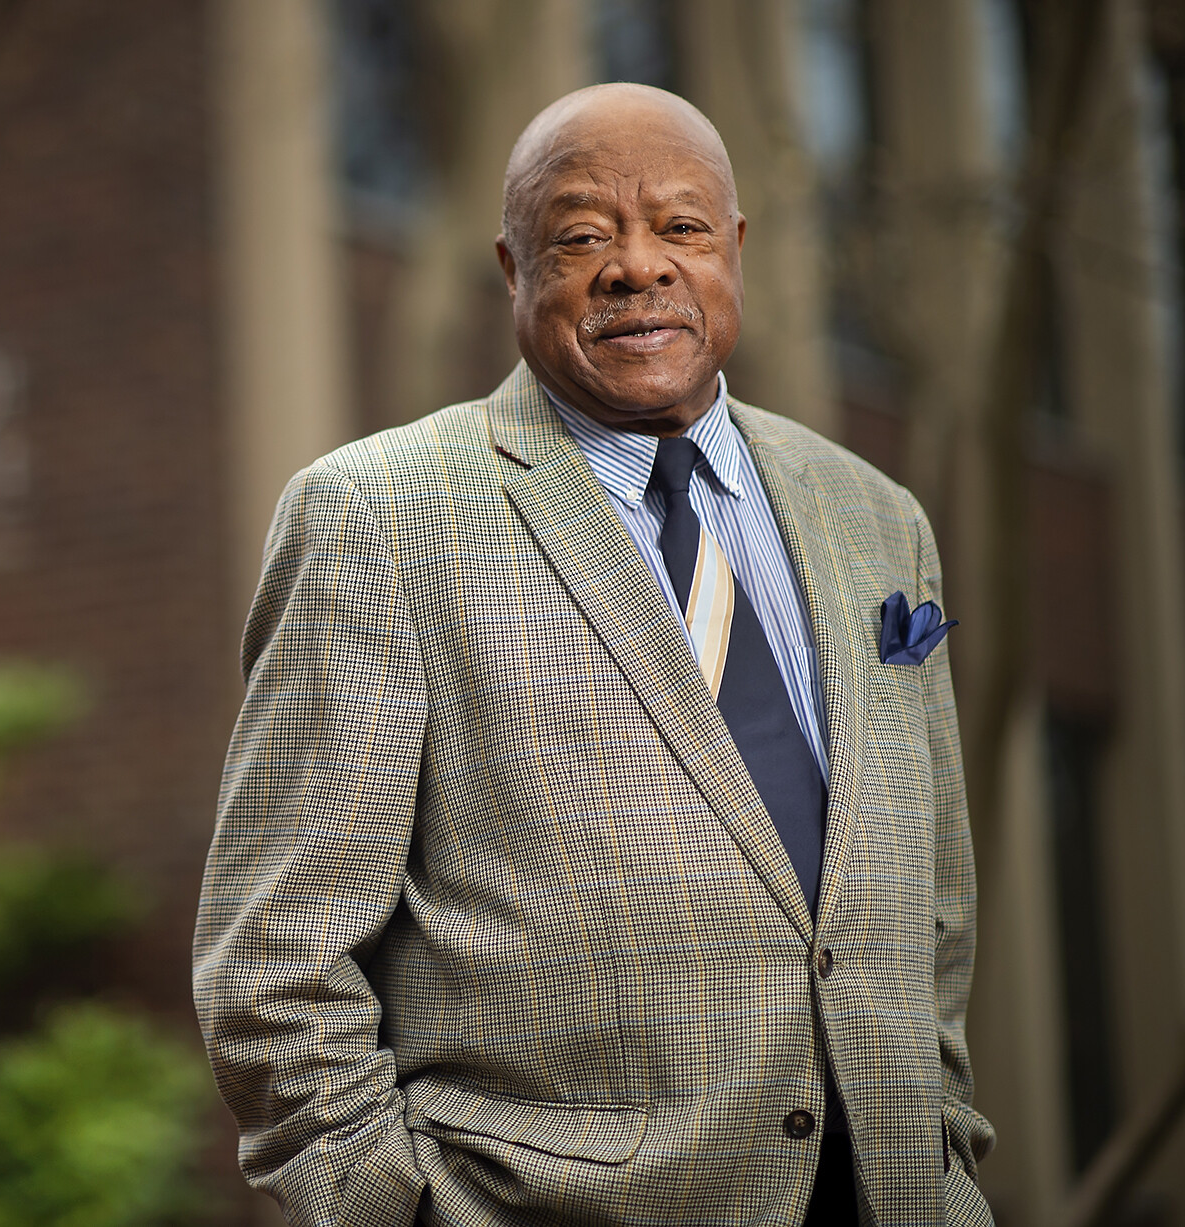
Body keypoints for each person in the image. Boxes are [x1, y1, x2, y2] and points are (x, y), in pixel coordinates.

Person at [192, 83, 995, 1226]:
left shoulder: (872, 516)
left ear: (732, 250)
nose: (636, 267)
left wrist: (946, 1151)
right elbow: (276, 963)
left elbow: (935, 902)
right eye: (579, 236)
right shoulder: (375, 516)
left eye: (678, 227)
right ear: (514, 268)